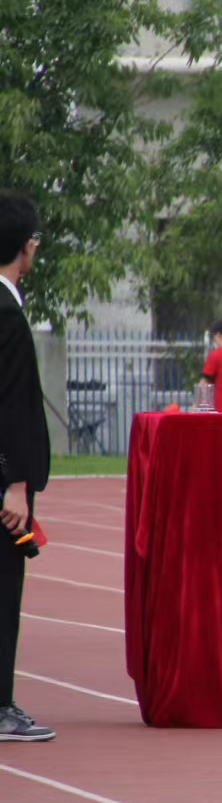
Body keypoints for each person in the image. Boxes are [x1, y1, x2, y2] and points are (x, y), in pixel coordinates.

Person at [0, 191, 53, 742]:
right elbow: (12, 405)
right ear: (24, 246)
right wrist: (15, 482)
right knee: (4, 588)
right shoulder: (7, 316)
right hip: (4, 485)